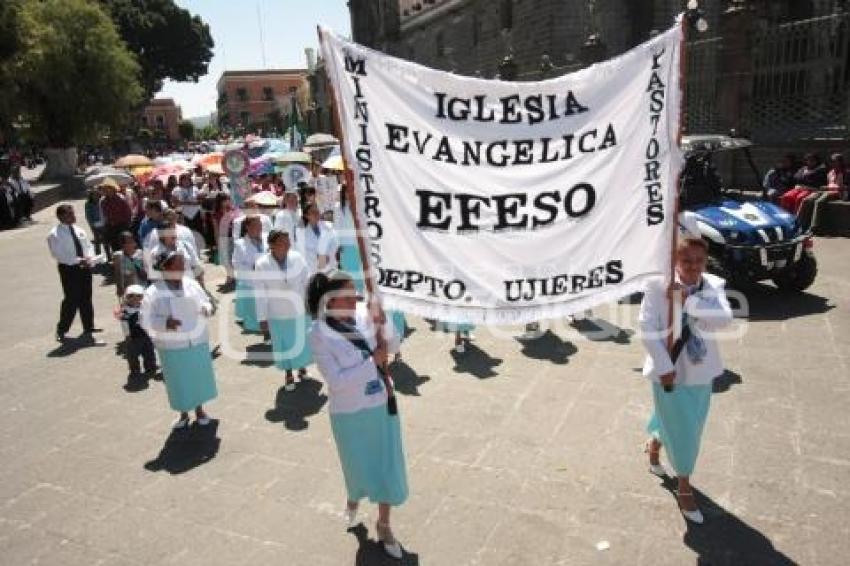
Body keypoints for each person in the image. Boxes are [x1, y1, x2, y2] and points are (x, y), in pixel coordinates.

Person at [307, 271, 408, 559]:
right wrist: (370, 361)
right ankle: (354, 497)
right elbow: (336, 381)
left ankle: (384, 524)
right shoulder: (318, 333)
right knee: (356, 467)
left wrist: (383, 321)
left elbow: (394, 345)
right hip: (348, 411)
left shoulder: (365, 313)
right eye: (348, 297)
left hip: (380, 401)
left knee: (386, 465)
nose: (356, 300)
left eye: (355, 294)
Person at [639, 237, 733, 524]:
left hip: (700, 370)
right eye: (686, 260)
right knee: (685, 432)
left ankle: (655, 442)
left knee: (691, 421)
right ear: (675, 261)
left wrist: (687, 300)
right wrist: (664, 366)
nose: (693, 266)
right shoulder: (657, 286)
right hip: (668, 370)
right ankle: (684, 485)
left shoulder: (712, 286)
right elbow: (646, 328)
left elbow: (724, 319)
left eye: (698, 260)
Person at [142, 250, 217, 429]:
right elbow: (145, 320)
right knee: (178, 380)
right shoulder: (153, 292)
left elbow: (206, 301)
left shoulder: (191, 284)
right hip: (172, 345)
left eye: (182, 264)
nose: (182, 268)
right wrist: (165, 322)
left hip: (196, 340)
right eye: (177, 264)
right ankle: (183, 413)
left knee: (197, 377)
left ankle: (200, 410)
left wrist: (206, 308)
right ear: (165, 267)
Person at [255, 229, 313, 390]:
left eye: (288, 242)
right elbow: (260, 293)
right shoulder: (261, 264)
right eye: (283, 242)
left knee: (301, 341)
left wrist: (310, 303)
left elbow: (307, 280)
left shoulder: (297, 257)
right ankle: (288, 373)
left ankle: (302, 368)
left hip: (299, 308)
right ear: (272, 245)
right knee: (284, 345)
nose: (287, 245)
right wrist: (262, 318)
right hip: (277, 312)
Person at [47, 204, 100, 341]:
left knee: (86, 297)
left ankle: (88, 326)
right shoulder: (55, 234)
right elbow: (58, 255)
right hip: (69, 269)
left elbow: (88, 245)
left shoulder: (78, 230)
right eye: (69, 214)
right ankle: (62, 329)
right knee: (71, 299)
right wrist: (78, 260)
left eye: (73, 213)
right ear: (61, 217)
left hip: (84, 267)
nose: (73, 216)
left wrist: (89, 257)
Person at [232, 215, 266, 334]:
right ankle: (262, 331)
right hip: (251, 282)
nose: (259, 227)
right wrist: (251, 267)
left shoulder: (266, 239)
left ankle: (268, 331)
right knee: (255, 310)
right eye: (256, 225)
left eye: (260, 224)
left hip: (268, 280)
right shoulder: (240, 244)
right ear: (248, 227)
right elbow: (236, 264)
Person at [799, 153, 847, 233]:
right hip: (827, 190)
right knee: (807, 200)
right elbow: (828, 183)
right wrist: (825, 187)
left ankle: (814, 227)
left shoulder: (846, 172)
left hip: (838, 193)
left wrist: (829, 188)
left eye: (835, 161)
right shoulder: (830, 172)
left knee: (818, 201)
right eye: (831, 161)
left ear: (840, 162)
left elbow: (846, 187)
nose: (832, 163)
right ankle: (800, 224)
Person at [120, 284, 157, 383]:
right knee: (133, 356)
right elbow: (124, 324)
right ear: (126, 297)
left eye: (138, 296)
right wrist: (127, 335)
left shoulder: (145, 307)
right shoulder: (126, 311)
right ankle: (135, 370)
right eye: (131, 296)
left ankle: (151, 367)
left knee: (149, 352)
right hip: (133, 337)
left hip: (146, 335)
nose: (135, 299)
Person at [301, 202, 339, 275]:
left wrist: (329, 256)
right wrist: (320, 259)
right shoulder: (303, 234)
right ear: (306, 215)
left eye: (317, 211)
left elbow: (335, 244)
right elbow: (306, 254)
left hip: (331, 266)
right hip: (314, 270)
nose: (316, 214)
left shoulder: (329, 226)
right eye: (313, 212)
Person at [99, 179, 132, 252]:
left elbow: (128, 212)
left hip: (122, 226)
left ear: (113, 189)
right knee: (114, 246)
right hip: (110, 227)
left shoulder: (121, 198)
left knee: (123, 245)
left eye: (109, 188)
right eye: (105, 189)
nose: (107, 191)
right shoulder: (103, 201)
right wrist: (104, 225)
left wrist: (127, 225)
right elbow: (102, 215)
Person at [113, 231, 148, 298]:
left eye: (132, 241)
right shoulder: (118, 256)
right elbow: (118, 274)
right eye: (128, 242)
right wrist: (119, 289)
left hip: (142, 289)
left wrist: (137, 264)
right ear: (122, 245)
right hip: (129, 292)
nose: (132, 244)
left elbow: (146, 273)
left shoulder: (140, 254)